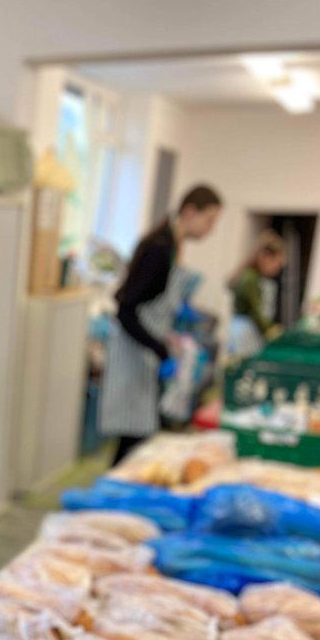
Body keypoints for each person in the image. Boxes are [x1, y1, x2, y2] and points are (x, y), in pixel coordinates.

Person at [98, 185, 223, 465]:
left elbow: (152, 297)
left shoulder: (171, 246)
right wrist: (160, 350)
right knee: (133, 437)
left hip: (145, 350)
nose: (211, 229)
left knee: (138, 437)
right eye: (210, 220)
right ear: (190, 211)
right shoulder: (160, 247)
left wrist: (182, 312)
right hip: (134, 350)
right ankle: (113, 498)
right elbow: (126, 309)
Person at [228, 230, 287, 356]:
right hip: (244, 331)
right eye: (276, 264)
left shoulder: (260, 279)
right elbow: (256, 310)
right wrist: (270, 329)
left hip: (250, 330)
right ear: (265, 257)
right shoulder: (250, 278)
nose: (277, 269)